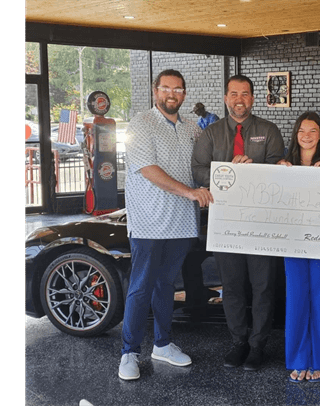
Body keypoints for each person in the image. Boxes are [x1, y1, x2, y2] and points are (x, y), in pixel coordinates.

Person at [117, 69, 214, 381]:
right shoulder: (140, 124)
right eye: (167, 88)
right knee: (141, 286)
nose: (173, 94)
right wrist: (189, 192)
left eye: (179, 89)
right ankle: (129, 352)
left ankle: (162, 343)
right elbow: (148, 169)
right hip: (148, 222)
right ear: (155, 91)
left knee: (166, 286)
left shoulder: (191, 128)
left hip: (183, 223)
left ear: (184, 94)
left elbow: (203, 165)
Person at [191, 74, 285, 371]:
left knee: (263, 287)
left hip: (262, 223)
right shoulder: (211, 134)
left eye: (245, 94)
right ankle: (238, 342)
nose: (239, 99)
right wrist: (227, 175)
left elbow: (278, 172)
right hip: (225, 223)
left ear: (252, 99)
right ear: (225, 98)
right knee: (231, 287)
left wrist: (251, 170)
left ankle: (257, 345)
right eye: (233, 94)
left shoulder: (269, 131)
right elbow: (197, 171)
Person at [276, 112, 320, 383]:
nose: (307, 135)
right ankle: (300, 359)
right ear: (296, 133)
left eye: (313, 130)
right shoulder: (284, 163)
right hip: (294, 241)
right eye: (302, 130)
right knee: (297, 299)